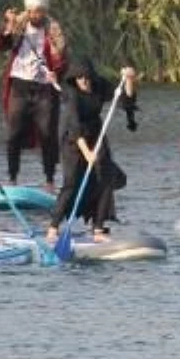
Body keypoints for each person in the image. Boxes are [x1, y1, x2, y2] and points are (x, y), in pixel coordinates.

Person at [46, 59, 137, 243]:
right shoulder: (71, 94)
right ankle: (53, 227)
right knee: (71, 182)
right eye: (80, 78)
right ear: (74, 79)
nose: (84, 82)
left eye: (87, 78)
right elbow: (74, 127)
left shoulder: (100, 85)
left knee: (105, 177)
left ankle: (98, 228)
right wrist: (87, 153)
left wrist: (129, 80)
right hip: (72, 138)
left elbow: (126, 100)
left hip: (96, 132)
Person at [0, 4, 67, 192]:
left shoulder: (53, 30)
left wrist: (56, 70)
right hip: (19, 86)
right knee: (13, 134)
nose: (36, 15)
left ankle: (50, 180)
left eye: (40, 11)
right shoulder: (19, 26)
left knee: (47, 134)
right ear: (28, 12)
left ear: (44, 12)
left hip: (44, 88)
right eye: (33, 11)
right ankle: (12, 179)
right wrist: (9, 25)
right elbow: (2, 45)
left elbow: (62, 59)